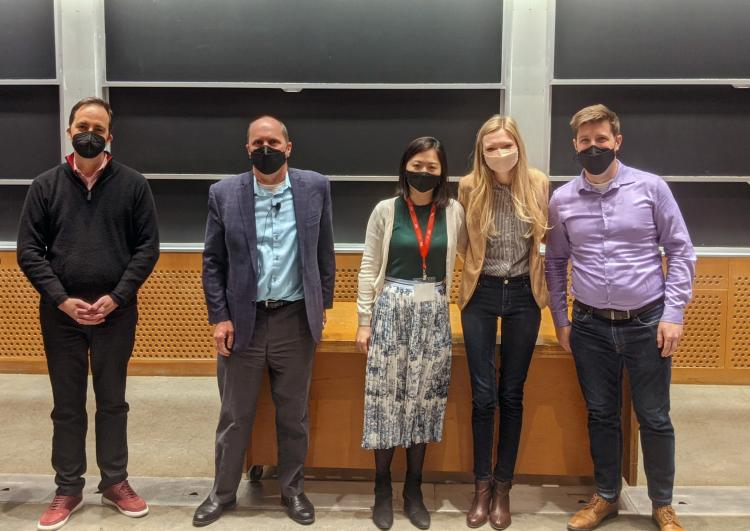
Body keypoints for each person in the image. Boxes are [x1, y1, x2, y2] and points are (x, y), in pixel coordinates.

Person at [545, 104, 695, 531]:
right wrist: (561, 319)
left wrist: (674, 312)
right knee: (601, 414)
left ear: (617, 142)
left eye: (602, 140)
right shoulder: (562, 199)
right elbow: (555, 262)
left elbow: (680, 250)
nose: (594, 148)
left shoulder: (651, 188)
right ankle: (606, 496)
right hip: (590, 325)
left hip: (648, 321)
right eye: (585, 141)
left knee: (654, 415)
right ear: (574, 145)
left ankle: (662, 504)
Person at [17, 97, 160, 530]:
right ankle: (68, 488)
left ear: (109, 136)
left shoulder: (134, 185)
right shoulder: (45, 186)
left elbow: (146, 248)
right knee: (67, 405)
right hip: (61, 316)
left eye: (98, 128)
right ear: (69, 131)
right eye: (82, 126)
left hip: (116, 314)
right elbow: (29, 251)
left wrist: (116, 297)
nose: (90, 134)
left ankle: (115, 482)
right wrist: (62, 298)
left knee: (113, 401)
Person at [195, 115, 335, 527]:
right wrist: (219, 317)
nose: (265, 148)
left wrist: (321, 305)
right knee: (235, 415)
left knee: (293, 415)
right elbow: (212, 262)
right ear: (247, 148)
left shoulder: (315, 187)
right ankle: (222, 494)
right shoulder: (224, 193)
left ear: (289, 147)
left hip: (295, 320)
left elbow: (324, 253)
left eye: (272, 141)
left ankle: (292, 492)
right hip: (244, 323)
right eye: (257, 142)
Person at [355, 136, 465, 530]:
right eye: (416, 165)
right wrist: (364, 320)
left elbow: (471, 257)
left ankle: (413, 490)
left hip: (433, 312)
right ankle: (382, 489)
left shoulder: (453, 211)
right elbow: (369, 265)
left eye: (431, 167)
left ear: (442, 172)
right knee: (386, 402)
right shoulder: (385, 210)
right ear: (405, 167)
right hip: (391, 312)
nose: (423, 173)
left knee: (424, 402)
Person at [457, 116, 550, 530]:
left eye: (505, 145)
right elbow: (462, 243)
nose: (499, 153)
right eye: (490, 147)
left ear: (518, 146)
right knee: (483, 395)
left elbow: (546, 241)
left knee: (512, 393)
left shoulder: (538, 182)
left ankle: (503, 488)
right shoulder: (468, 186)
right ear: (481, 151)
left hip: (523, 294)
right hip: (482, 293)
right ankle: (480, 486)